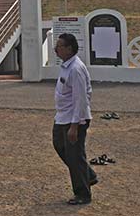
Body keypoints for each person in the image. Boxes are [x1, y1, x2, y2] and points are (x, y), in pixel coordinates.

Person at [52, 33, 97, 205]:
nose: (56, 49)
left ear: (69, 49)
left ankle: (83, 194)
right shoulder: (66, 66)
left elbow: (80, 99)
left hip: (74, 119)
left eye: (60, 46)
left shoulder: (76, 69)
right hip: (62, 116)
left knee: (75, 156)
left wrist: (75, 126)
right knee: (59, 145)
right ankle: (88, 175)